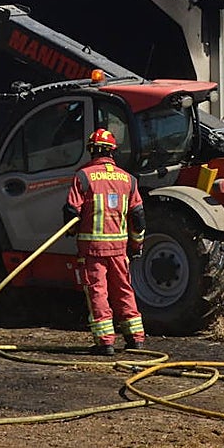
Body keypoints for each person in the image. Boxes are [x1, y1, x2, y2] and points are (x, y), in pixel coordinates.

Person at [63, 128, 147, 355]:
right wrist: (136, 245)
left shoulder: (83, 177)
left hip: (92, 249)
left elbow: (71, 211)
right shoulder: (128, 179)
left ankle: (105, 342)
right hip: (119, 249)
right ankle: (136, 338)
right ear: (113, 151)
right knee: (124, 290)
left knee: (97, 292)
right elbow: (138, 217)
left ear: (91, 151)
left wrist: (70, 232)